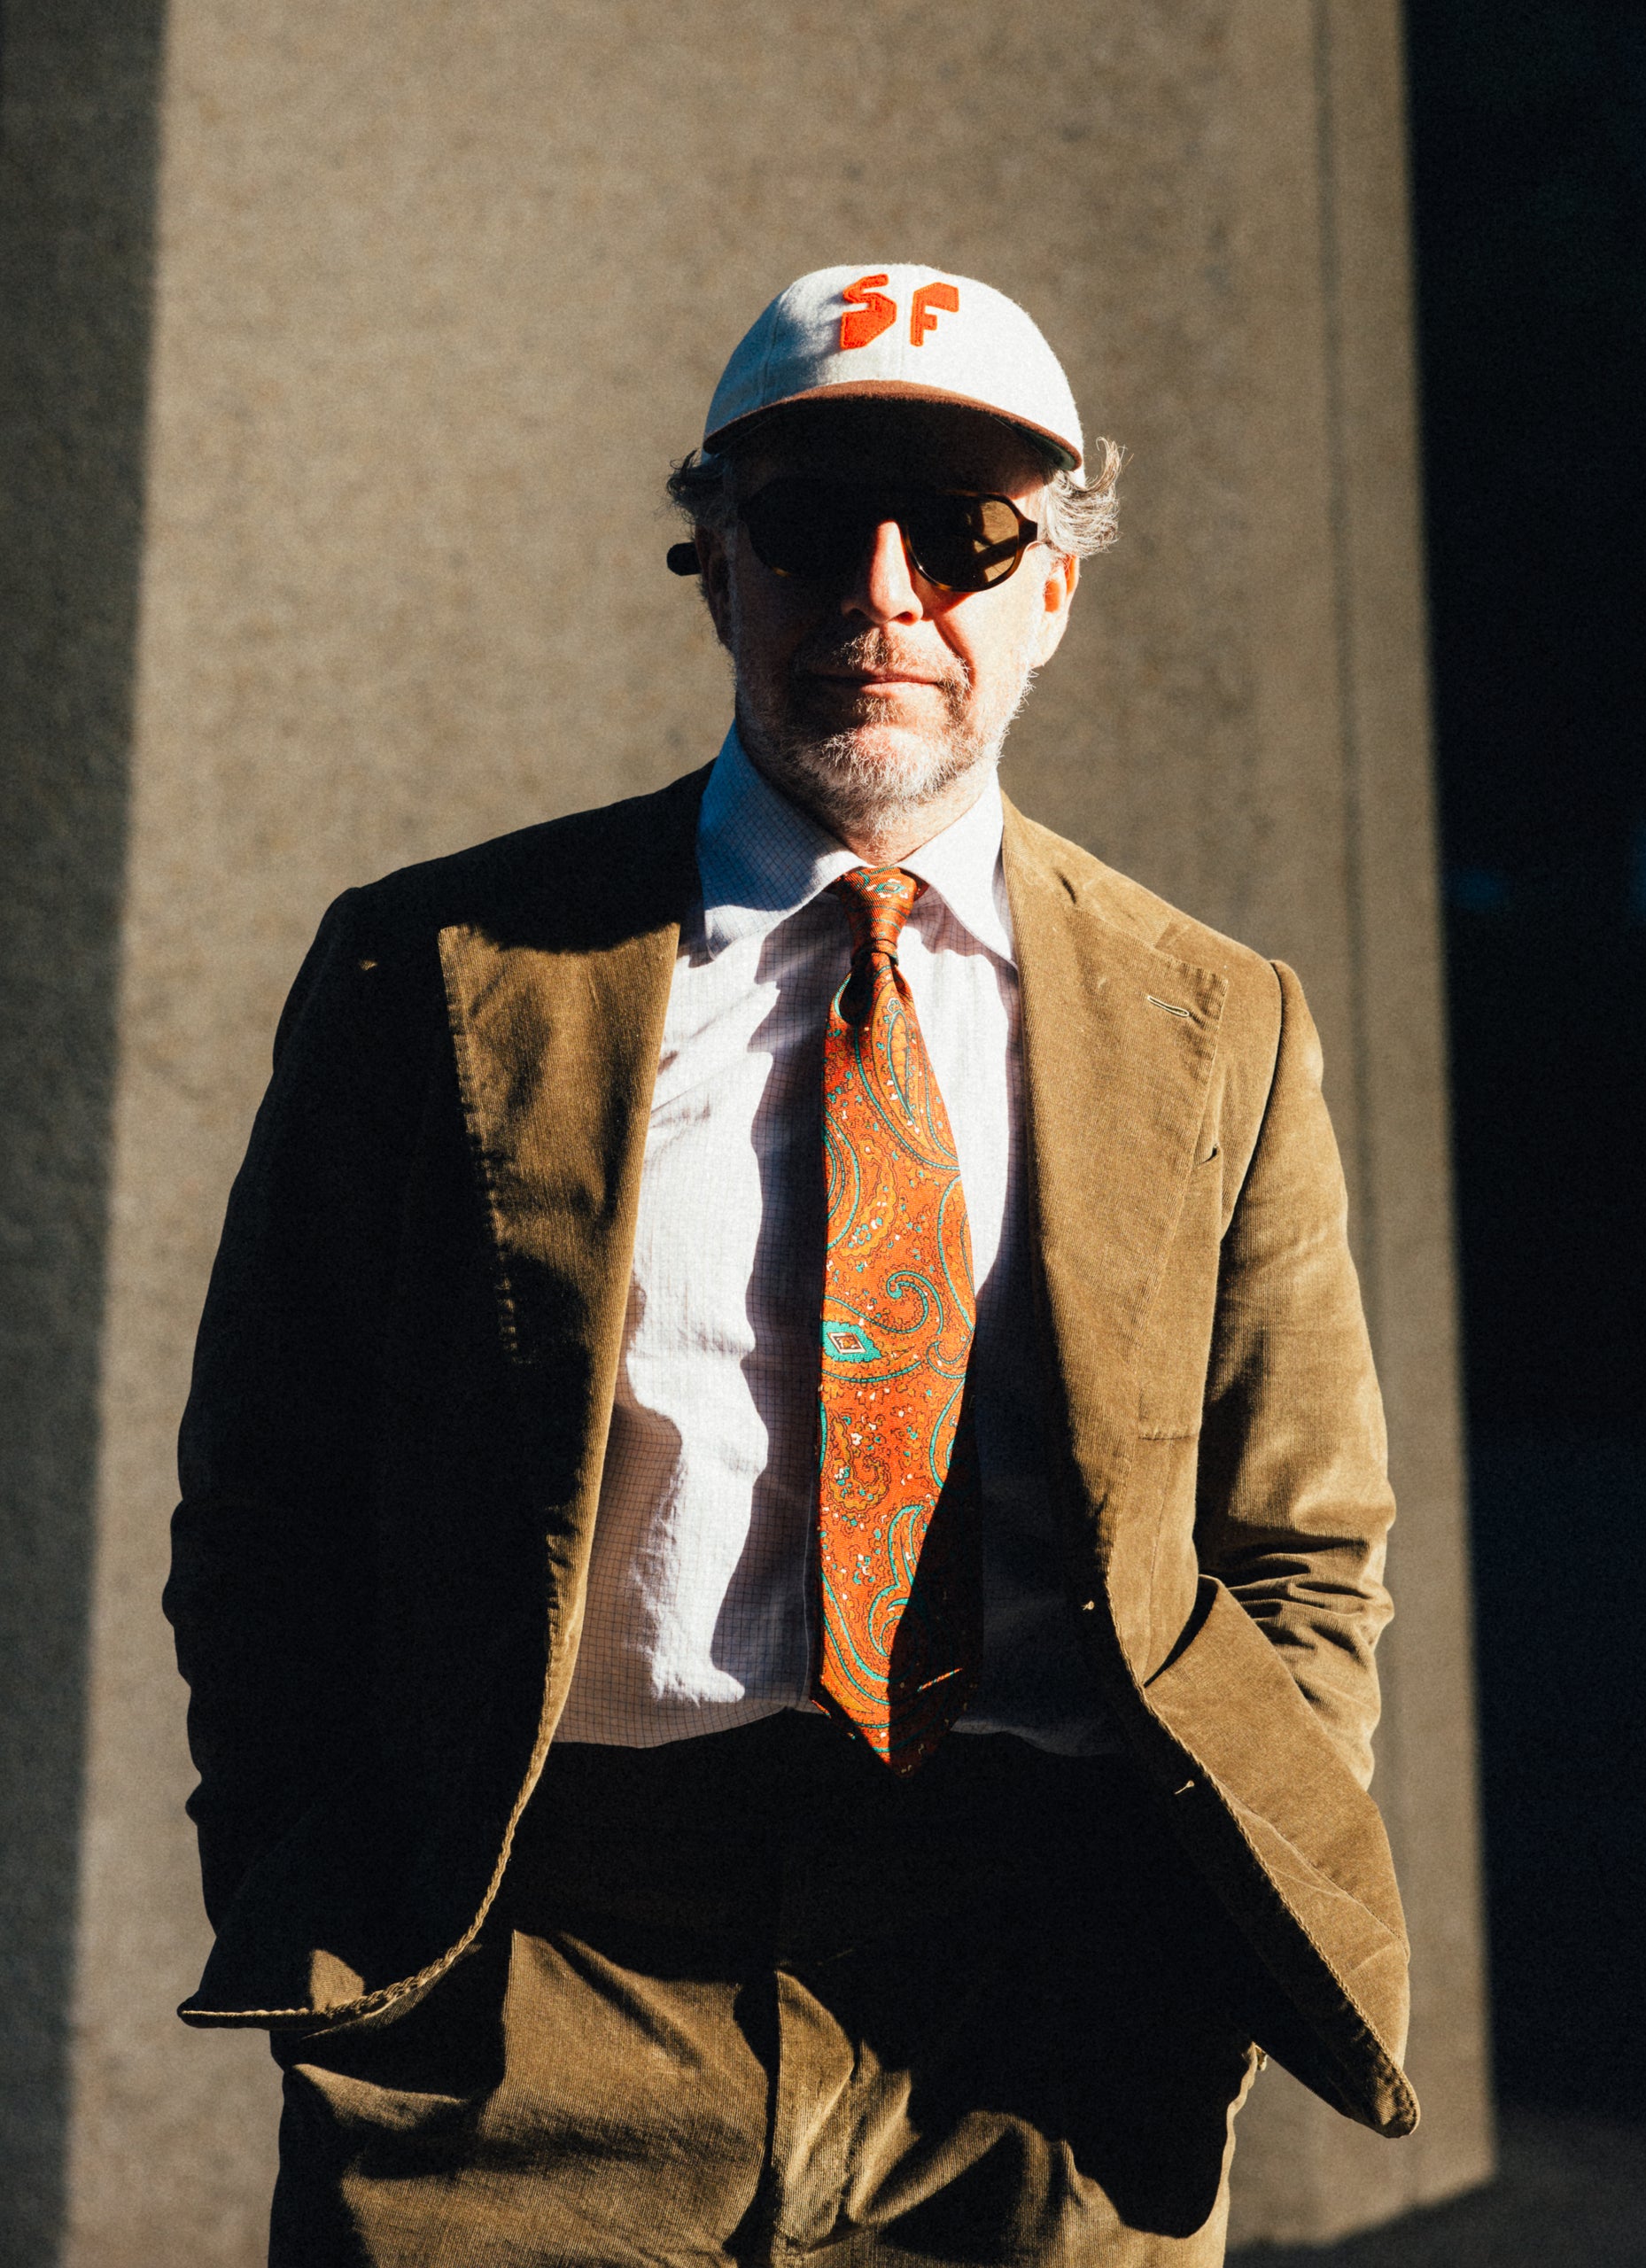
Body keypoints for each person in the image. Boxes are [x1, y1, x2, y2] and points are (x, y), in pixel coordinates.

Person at [166, 264, 1417, 2268]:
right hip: (534, 1993)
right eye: (815, 524)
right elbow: (271, 1494)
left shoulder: (1219, 1022)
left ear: (1053, 592)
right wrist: (320, 1899)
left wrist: (1187, 1949)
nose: (885, 592)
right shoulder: (445, 968)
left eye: (967, 532)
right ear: (717, 570)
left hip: (1044, 2020)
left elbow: (1302, 1544)